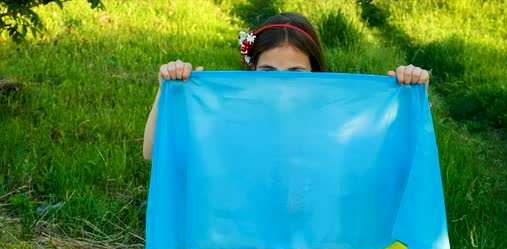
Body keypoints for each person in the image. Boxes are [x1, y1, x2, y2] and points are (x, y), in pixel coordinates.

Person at [143, 12, 430, 160]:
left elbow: (397, 156)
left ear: (315, 73)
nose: (280, 84)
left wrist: (412, 99)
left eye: (295, 72)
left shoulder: (336, 119)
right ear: (252, 68)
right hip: (245, 247)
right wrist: (168, 91)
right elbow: (154, 152)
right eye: (269, 71)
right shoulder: (227, 113)